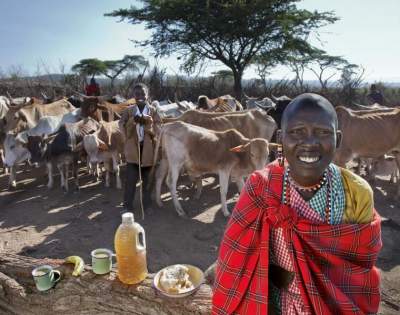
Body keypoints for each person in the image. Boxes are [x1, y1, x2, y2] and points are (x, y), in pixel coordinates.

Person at [212, 93, 382, 314]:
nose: (309, 143)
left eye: (322, 132)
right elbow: (235, 257)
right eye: (296, 132)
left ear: (338, 139)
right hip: (274, 302)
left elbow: (359, 272)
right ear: (281, 139)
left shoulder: (358, 193)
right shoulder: (260, 187)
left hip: (332, 305)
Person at [119, 83, 161, 214]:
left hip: (148, 151)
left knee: (148, 181)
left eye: (143, 94)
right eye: (137, 94)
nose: (140, 96)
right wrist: (132, 121)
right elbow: (121, 126)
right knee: (130, 180)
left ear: (147, 95)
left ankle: (147, 205)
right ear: (133, 96)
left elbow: (159, 130)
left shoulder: (153, 111)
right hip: (133, 151)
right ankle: (127, 206)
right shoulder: (128, 111)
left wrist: (149, 125)